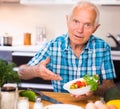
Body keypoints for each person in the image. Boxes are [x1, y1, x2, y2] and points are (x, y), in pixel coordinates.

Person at [18, 1, 116, 100]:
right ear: (67, 20)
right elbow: (21, 72)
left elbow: (109, 86)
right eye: (76, 21)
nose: (79, 30)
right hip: (60, 104)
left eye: (87, 25)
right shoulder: (53, 46)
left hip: (91, 104)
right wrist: (36, 70)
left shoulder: (102, 48)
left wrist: (93, 89)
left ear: (95, 28)